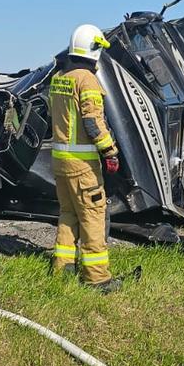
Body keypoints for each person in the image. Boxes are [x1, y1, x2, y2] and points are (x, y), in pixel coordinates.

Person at [48, 23, 122, 292]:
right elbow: (92, 122)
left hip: (60, 162)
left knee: (68, 213)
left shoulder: (59, 78)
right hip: (83, 166)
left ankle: (62, 268)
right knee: (92, 216)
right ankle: (97, 278)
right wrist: (109, 151)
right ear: (94, 50)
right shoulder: (87, 80)